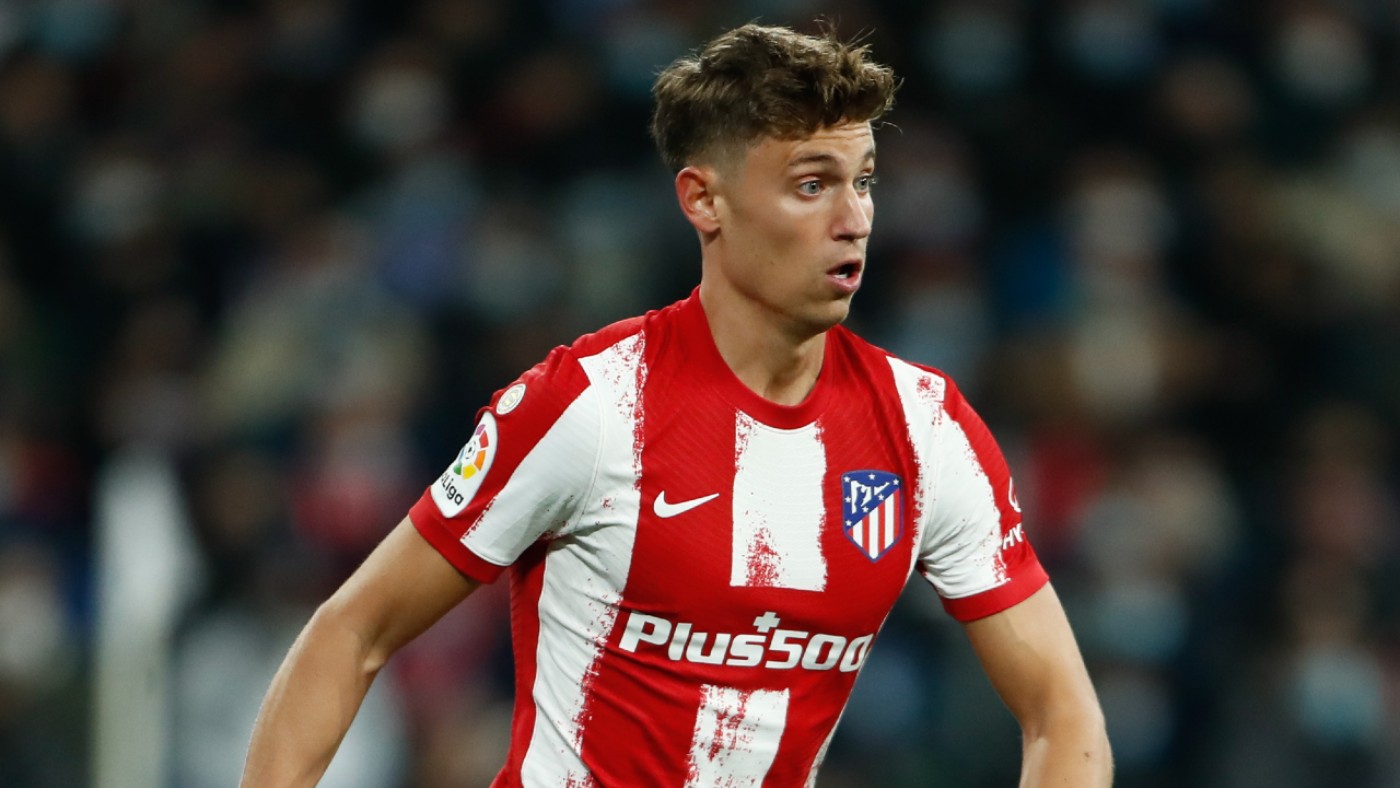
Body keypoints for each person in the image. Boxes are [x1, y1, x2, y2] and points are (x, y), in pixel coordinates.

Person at [241, 22, 1112, 787]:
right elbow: (352, 632)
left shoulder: (925, 430)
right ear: (704, 200)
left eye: (865, 180)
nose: (855, 219)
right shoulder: (589, 404)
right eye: (813, 185)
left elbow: (1061, 712)